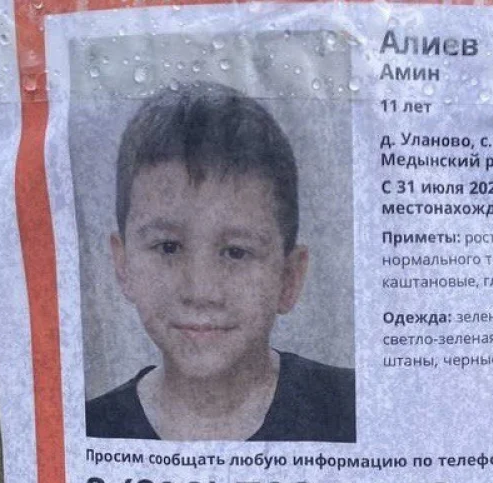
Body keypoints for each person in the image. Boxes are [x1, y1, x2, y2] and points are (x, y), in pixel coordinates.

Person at [85, 82, 356, 442]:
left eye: (235, 252)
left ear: (289, 278)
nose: (201, 292)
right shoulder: (89, 429)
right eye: (168, 247)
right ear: (123, 265)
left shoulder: (353, 410)